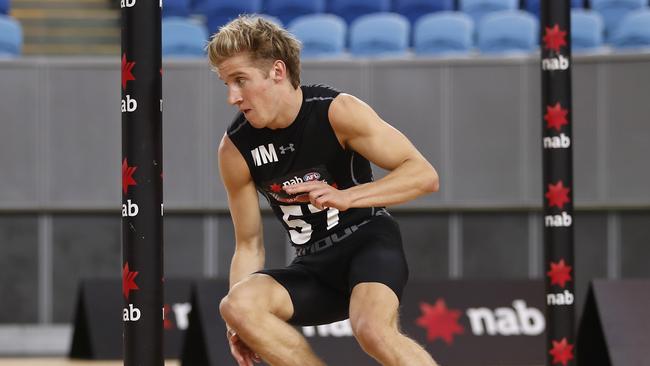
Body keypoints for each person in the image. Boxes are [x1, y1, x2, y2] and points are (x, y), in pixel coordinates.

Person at [209, 15, 440, 366]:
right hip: (312, 264)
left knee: (372, 329)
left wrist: (349, 196)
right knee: (235, 306)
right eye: (227, 84)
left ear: (277, 71)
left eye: (240, 81)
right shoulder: (235, 149)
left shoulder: (338, 111)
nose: (232, 97)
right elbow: (248, 244)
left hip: (367, 241)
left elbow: (423, 175)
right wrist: (240, 326)